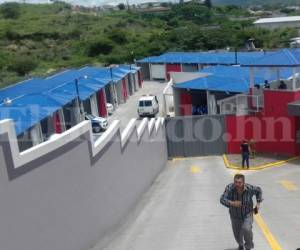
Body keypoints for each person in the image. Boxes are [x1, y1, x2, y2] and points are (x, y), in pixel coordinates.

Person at [220, 174, 263, 250]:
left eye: (239, 182)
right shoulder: (229, 188)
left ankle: (248, 247)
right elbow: (222, 199)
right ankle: (240, 245)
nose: (237, 184)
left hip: (248, 214)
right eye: (235, 182)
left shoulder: (250, 188)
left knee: (247, 229)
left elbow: (259, 190)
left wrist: (258, 203)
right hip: (235, 215)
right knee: (237, 234)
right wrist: (232, 203)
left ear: (243, 182)